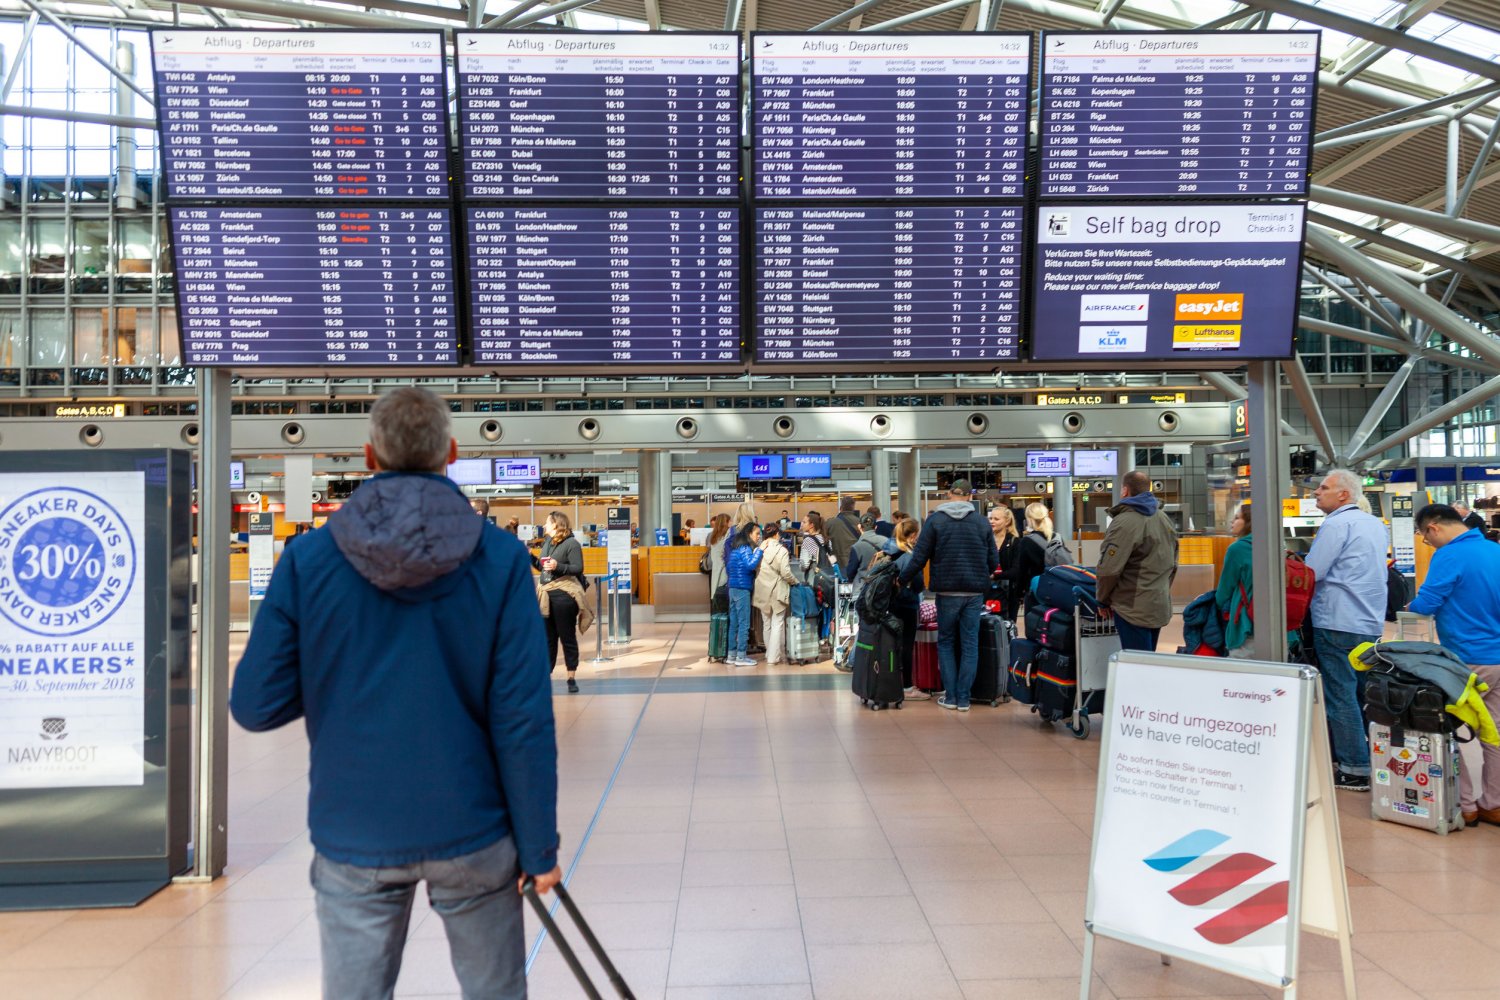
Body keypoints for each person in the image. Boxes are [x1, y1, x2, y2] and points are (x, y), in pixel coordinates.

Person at [229, 387, 559, 1000]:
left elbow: (255, 704)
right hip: (474, 827)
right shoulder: (502, 559)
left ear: (369, 457)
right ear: (451, 453)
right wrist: (539, 848)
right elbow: (522, 719)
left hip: (356, 827)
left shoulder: (309, 558)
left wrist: (335, 674)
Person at [1408, 503, 1500, 826]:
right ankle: (1493, 804)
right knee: (1494, 732)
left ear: (1433, 527)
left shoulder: (1448, 555)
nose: (1427, 542)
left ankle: (1466, 804)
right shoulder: (1494, 550)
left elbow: (1427, 603)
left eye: (1424, 536)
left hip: (1465, 661)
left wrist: (1410, 605)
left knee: (1444, 727)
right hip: (1497, 659)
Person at [1304, 468, 1390, 792]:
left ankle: (1354, 768)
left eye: (1323, 488)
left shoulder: (1336, 524)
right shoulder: (1375, 524)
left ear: (1343, 495)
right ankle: (1375, 759)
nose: (1317, 492)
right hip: (1369, 621)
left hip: (1337, 620)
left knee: (1340, 695)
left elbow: (1313, 572)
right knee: (1365, 694)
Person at [899, 478, 997, 712]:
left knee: (946, 642)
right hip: (974, 591)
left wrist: (901, 580)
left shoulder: (935, 521)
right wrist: (981, 573)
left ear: (949, 494)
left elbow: (919, 557)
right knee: (970, 644)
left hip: (947, 591)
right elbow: (994, 560)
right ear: (970, 497)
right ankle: (964, 699)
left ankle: (951, 697)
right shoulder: (981, 522)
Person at [1096, 470, 1178, 653]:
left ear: (1125, 490)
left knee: (1136, 661)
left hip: (1131, 607)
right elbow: (1173, 563)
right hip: (1158, 603)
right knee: (1147, 659)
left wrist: (1102, 600)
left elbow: (1108, 570)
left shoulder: (1124, 522)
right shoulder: (1164, 518)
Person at [534, 511, 588, 694]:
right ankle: (545, 677)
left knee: (567, 637)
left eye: (547, 522)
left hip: (564, 596)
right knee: (548, 639)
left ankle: (571, 677)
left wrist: (559, 566)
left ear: (556, 524)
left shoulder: (571, 544)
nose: (544, 525)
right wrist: (530, 557)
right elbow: (542, 566)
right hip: (546, 595)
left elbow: (578, 567)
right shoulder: (547, 542)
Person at [888, 517, 930, 702]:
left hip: (891, 604)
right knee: (906, 645)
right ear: (912, 536)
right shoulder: (910, 556)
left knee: (892, 644)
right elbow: (919, 584)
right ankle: (907, 687)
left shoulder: (888, 551)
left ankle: (891, 682)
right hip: (907, 604)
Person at [753, 522, 800, 667]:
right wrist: (795, 581)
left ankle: (769, 653)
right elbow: (786, 572)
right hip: (777, 590)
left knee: (766, 623)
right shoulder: (782, 550)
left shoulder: (758, 549)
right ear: (777, 534)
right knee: (777, 623)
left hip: (762, 589)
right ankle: (773, 657)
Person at [1215, 502, 1257, 658]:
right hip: (1279, 625)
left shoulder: (1237, 549)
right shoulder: (1275, 544)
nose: (1232, 521)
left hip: (1246, 622)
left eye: (1237, 518)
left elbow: (1224, 590)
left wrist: (1217, 604)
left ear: (1249, 523)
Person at [726, 522, 764, 667]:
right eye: (757, 534)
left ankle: (731, 655)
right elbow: (750, 565)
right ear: (749, 534)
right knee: (744, 623)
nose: (759, 537)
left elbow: (729, 568)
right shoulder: (746, 548)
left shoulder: (736, 549)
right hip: (742, 589)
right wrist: (760, 551)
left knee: (734, 623)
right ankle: (741, 656)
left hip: (732, 588)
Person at [1014, 502, 1054, 614]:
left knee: (1034, 621)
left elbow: (1022, 570)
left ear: (1029, 519)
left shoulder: (1027, 541)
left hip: (1035, 590)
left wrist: (1019, 593)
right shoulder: (1056, 537)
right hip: (1055, 588)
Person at [844, 512, 897, 588]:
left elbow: (850, 573)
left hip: (862, 588)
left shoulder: (857, 547)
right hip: (884, 587)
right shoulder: (886, 541)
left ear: (859, 526)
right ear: (876, 527)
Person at [988, 505, 1021, 620]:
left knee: (1007, 624)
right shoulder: (986, 540)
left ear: (1007, 522)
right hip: (988, 591)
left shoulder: (1014, 541)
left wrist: (995, 576)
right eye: (990, 518)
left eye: (996, 519)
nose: (992, 521)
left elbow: (1016, 570)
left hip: (1009, 593)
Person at [826, 496, 862, 571]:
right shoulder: (860, 522)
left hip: (837, 560)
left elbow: (824, 539)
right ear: (853, 507)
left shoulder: (831, 522)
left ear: (841, 507)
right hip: (855, 559)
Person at [707, 512, 732, 604]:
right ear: (726, 522)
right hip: (724, 572)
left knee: (717, 598)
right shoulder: (728, 535)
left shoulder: (713, 536)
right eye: (730, 521)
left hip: (716, 570)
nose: (732, 522)